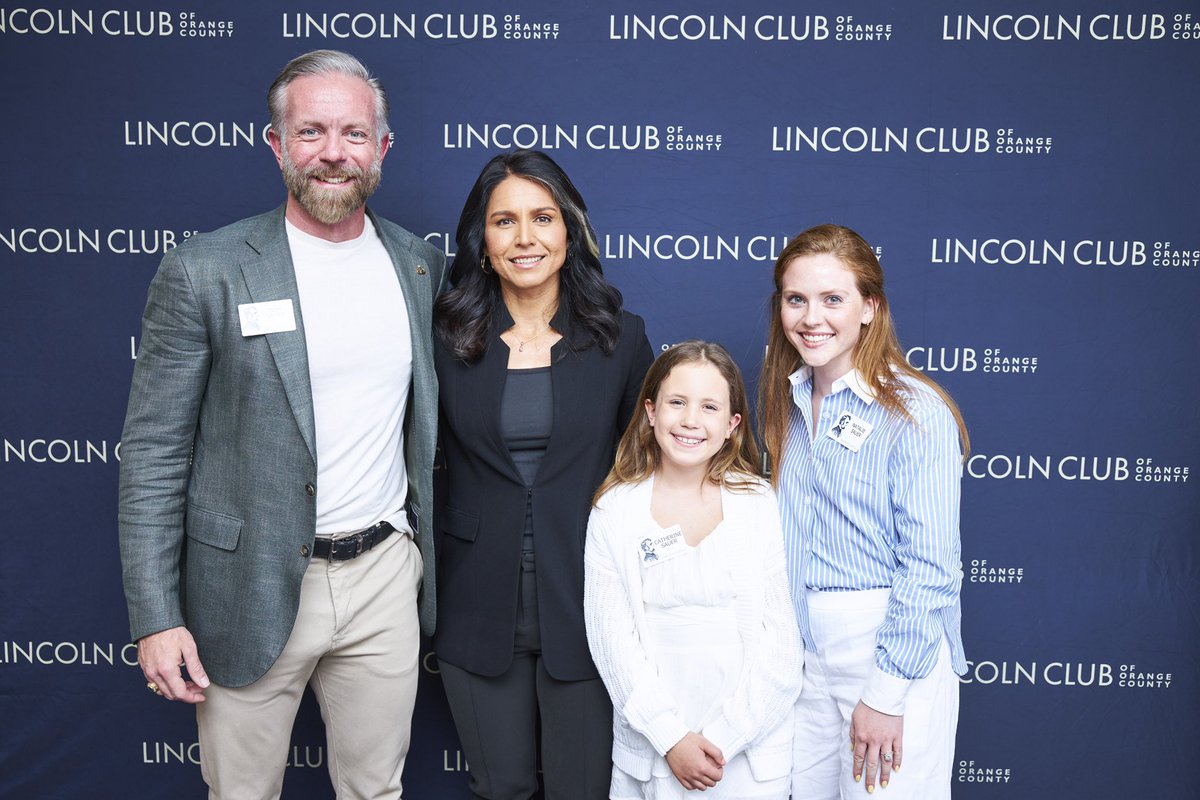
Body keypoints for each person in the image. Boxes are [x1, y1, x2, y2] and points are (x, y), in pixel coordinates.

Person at [118, 50, 445, 799]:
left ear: (383, 148)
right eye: (312, 132)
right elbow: (153, 455)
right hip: (248, 584)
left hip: (384, 578)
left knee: (377, 791)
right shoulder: (205, 270)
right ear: (275, 144)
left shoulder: (420, 267)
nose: (334, 153)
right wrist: (156, 617)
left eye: (355, 135)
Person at [433, 149, 653, 799]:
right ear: (480, 240)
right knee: (499, 790)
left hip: (587, 610)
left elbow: (657, 466)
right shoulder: (442, 337)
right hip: (475, 611)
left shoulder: (619, 336)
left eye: (543, 218)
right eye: (504, 222)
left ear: (569, 230)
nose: (525, 238)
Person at [758, 224, 969, 798]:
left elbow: (931, 568)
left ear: (870, 307)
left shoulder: (916, 412)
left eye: (833, 299)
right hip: (805, 656)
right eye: (795, 299)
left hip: (886, 648)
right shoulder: (791, 402)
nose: (811, 317)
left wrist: (885, 693)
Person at [584, 340, 803, 800]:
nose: (690, 420)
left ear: (732, 425)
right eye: (676, 403)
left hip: (747, 753)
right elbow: (612, 644)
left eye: (709, 407)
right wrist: (672, 739)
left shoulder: (757, 503)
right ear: (650, 411)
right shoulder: (615, 509)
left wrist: (722, 741)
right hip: (653, 752)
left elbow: (782, 648)